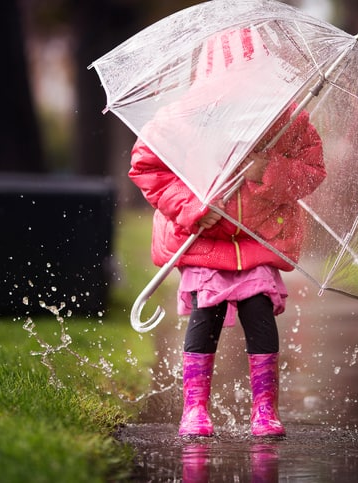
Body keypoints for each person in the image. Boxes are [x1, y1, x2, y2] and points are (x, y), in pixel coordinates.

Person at [128, 28, 326, 438]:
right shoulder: (181, 120)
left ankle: (264, 408)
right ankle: (195, 408)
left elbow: (312, 169)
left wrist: (267, 170)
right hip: (204, 239)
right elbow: (149, 168)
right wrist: (192, 208)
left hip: (256, 239)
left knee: (259, 313)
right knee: (206, 315)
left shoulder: (284, 118)